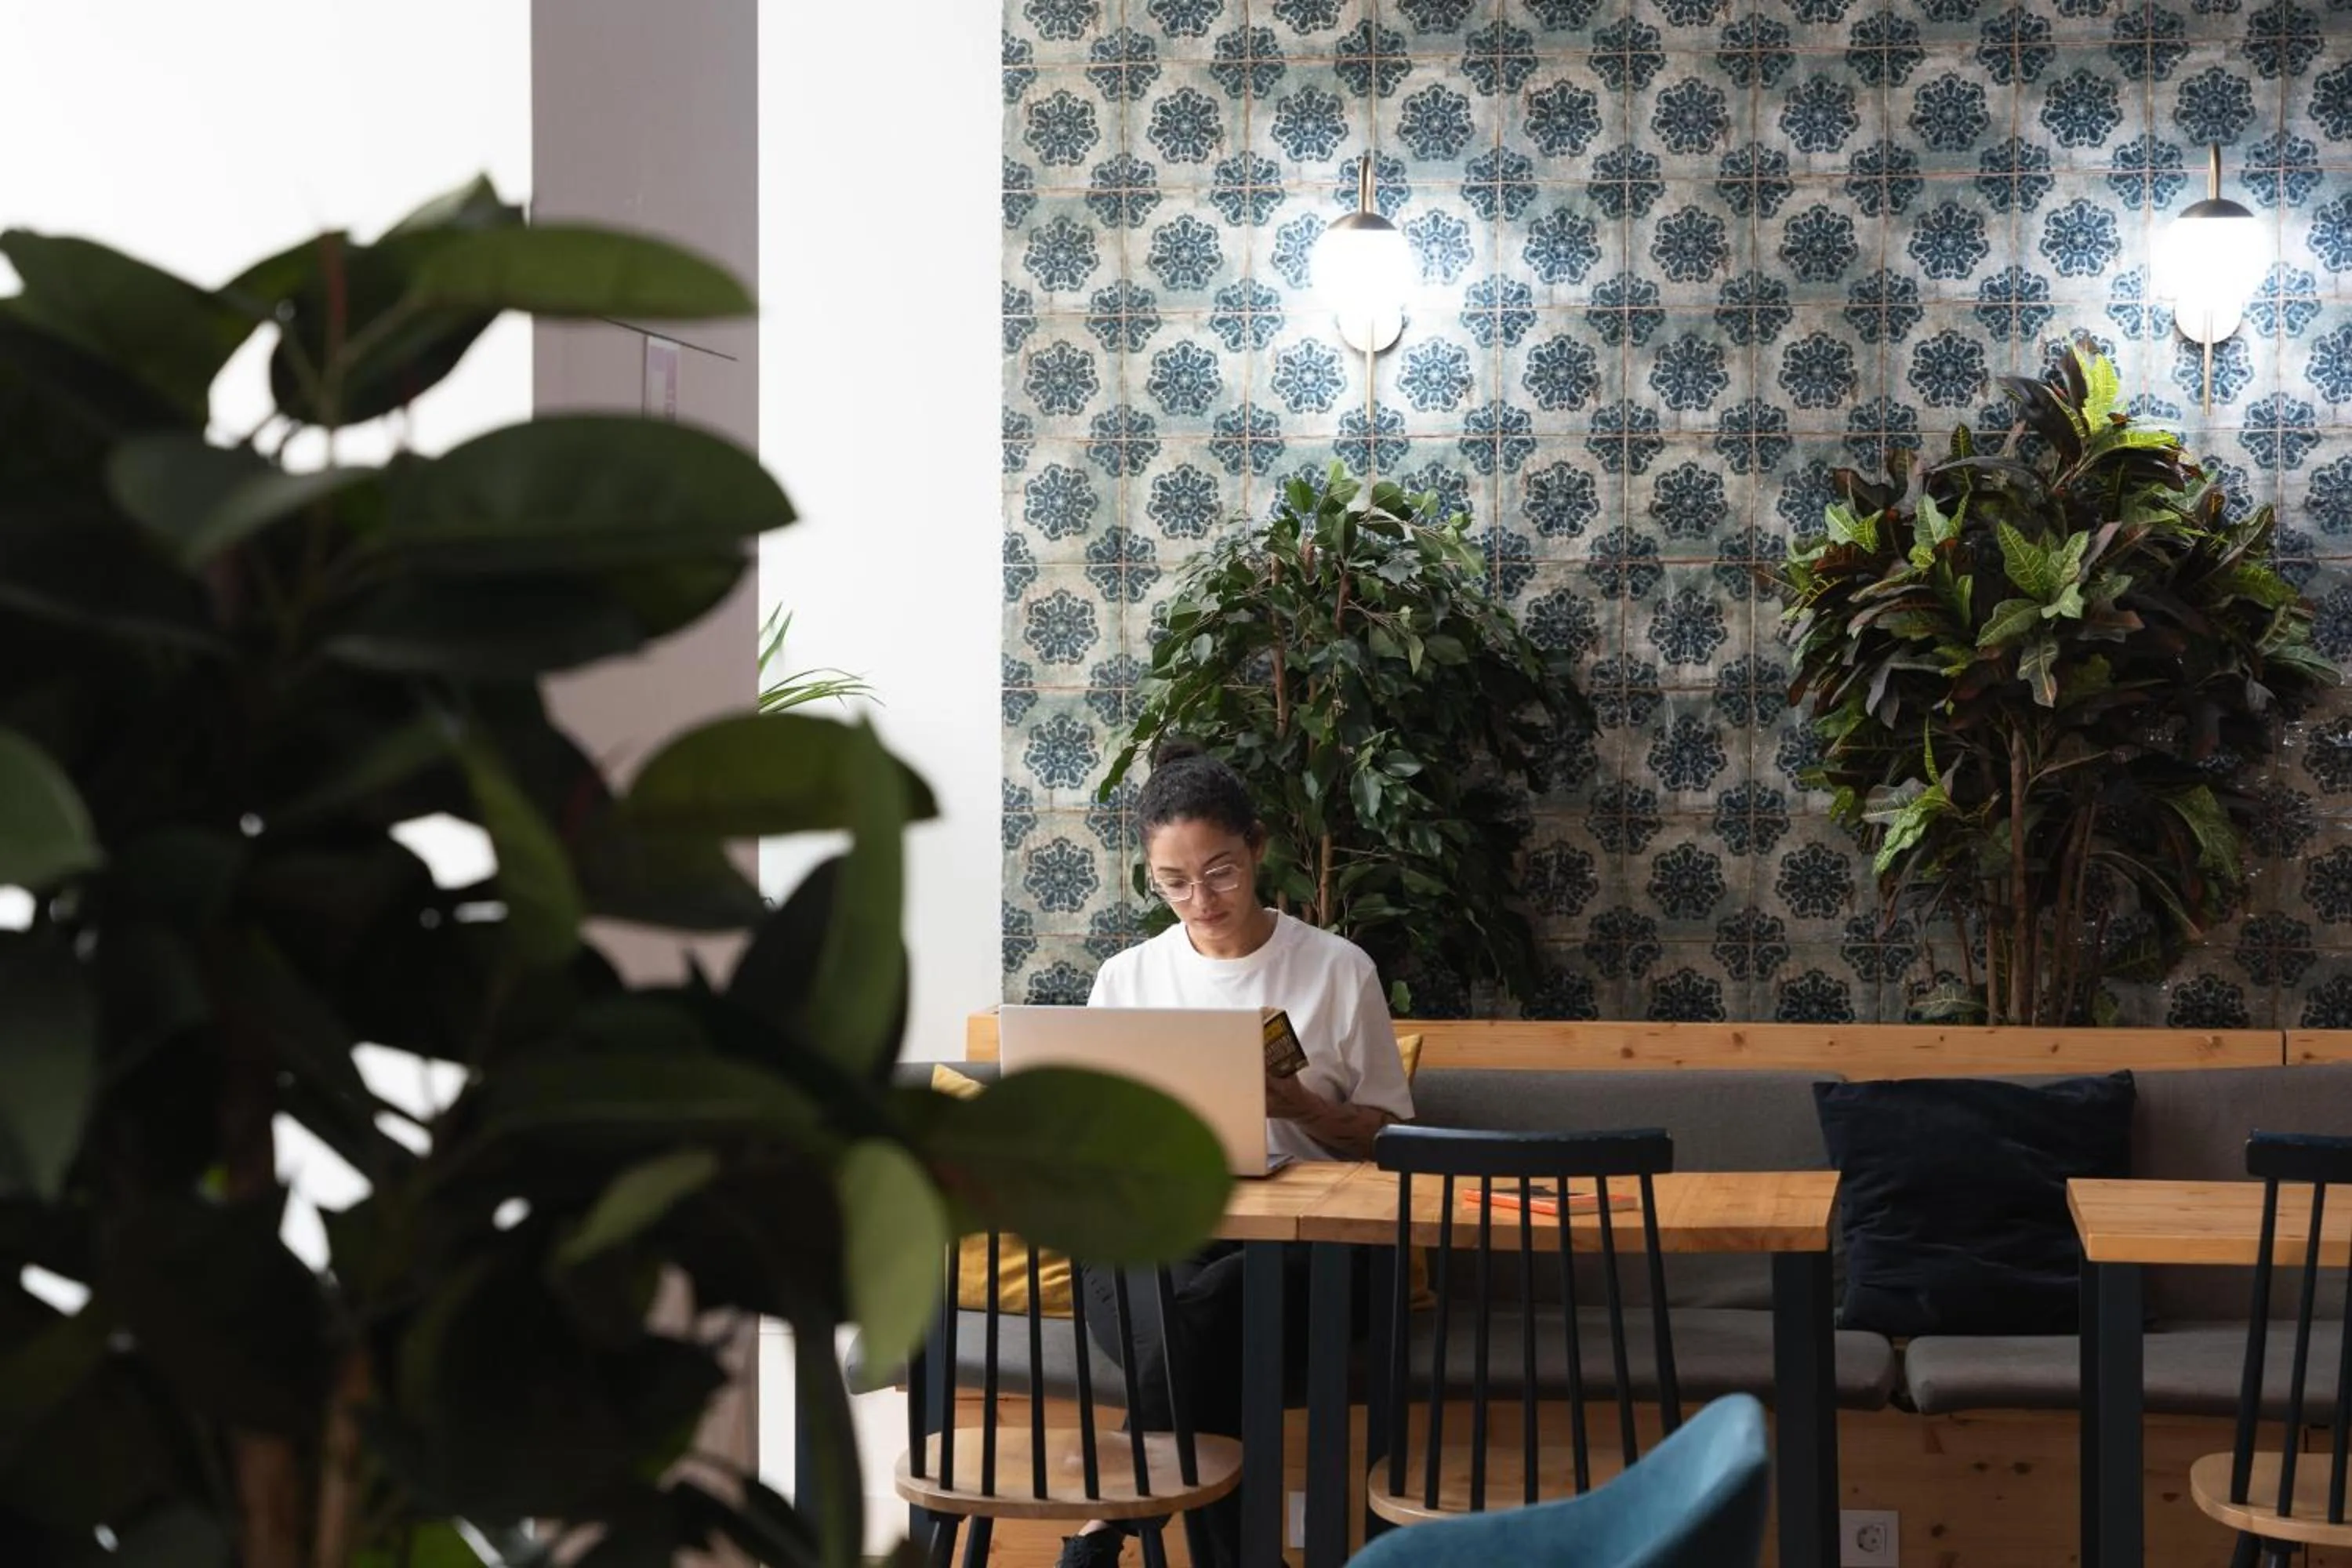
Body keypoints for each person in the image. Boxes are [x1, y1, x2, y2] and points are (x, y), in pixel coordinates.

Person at [1058, 739, 1416, 1568]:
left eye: (1219, 871)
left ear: (1258, 845)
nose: (1200, 899)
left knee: (1210, 1309)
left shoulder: (1335, 969)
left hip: (1304, 1249)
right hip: (1160, 1234)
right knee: (1186, 1301)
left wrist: (1303, 1108)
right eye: (1173, 881)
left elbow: (1390, 1136)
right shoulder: (1128, 977)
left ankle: (1097, 1527)